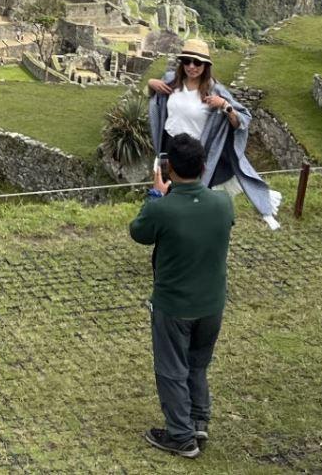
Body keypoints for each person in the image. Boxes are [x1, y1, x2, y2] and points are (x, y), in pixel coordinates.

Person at [129, 133, 234, 459]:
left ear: (169, 168)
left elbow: (139, 232)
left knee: (171, 368)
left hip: (174, 306)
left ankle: (181, 436)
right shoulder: (223, 203)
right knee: (197, 364)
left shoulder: (163, 209)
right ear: (203, 167)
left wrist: (155, 195)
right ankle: (198, 420)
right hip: (212, 303)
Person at [146, 39, 282, 230]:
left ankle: (190, 229)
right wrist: (151, 83)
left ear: (206, 65)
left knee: (190, 194)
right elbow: (156, 99)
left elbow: (243, 119)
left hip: (194, 151)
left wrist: (225, 105)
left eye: (197, 62)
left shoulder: (214, 89)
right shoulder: (171, 80)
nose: (191, 66)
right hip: (169, 145)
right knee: (165, 189)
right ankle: (168, 228)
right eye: (187, 61)